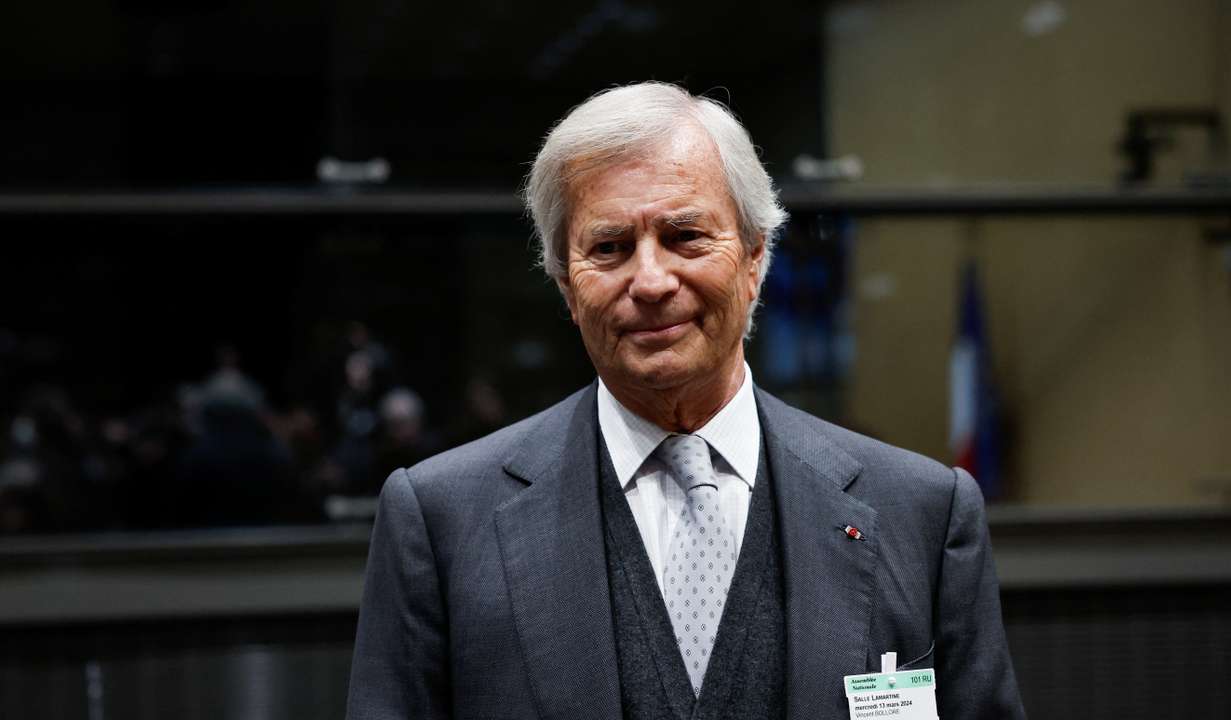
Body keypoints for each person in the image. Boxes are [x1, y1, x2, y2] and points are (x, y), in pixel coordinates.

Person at [347, 82, 1025, 720]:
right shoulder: (442, 523)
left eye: (685, 236)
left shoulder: (921, 516)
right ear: (564, 284)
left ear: (756, 257)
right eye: (609, 247)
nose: (650, 279)